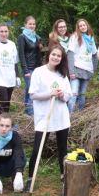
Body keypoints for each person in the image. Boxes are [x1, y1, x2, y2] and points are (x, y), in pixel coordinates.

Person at [27, 44, 71, 188]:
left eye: (59, 56)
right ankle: (30, 179)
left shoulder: (62, 74)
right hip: (44, 117)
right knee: (37, 149)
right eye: (54, 54)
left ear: (62, 58)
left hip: (61, 116)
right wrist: (49, 94)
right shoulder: (39, 72)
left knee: (63, 149)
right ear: (49, 55)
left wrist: (62, 95)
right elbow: (33, 94)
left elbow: (68, 96)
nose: (56, 57)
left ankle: (64, 176)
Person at [0, 113, 26, 194]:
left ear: (11, 127)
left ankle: (16, 178)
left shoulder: (15, 136)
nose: (4, 129)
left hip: (10, 165)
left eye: (7, 126)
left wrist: (19, 172)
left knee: (22, 153)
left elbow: (18, 153)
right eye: (1, 125)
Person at [0, 23, 20, 116]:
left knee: (7, 101)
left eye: (6, 31)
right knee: (4, 99)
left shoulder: (12, 44)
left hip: (10, 77)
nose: (4, 33)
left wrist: (17, 76)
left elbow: (15, 62)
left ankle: (1, 117)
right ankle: (3, 120)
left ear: (8, 32)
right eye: (1, 31)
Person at [67, 19, 97, 112]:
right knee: (74, 93)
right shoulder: (75, 37)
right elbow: (70, 54)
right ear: (78, 27)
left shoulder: (90, 38)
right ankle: (68, 116)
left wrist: (94, 69)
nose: (83, 27)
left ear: (87, 26)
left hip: (87, 70)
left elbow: (94, 55)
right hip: (76, 69)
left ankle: (80, 114)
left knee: (82, 94)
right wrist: (71, 71)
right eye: (80, 26)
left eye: (84, 25)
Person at [17, 16, 42, 116]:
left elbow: (38, 54)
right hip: (28, 68)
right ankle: (29, 112)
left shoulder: (36, 37)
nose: (32, 26)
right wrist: (25, 70)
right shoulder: (22, 37)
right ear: (25, 25)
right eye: (30, 24)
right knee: (30, 89)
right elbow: (21, 55)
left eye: (33, 24)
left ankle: (31, 109)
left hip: (37, 67)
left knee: (34, 89)